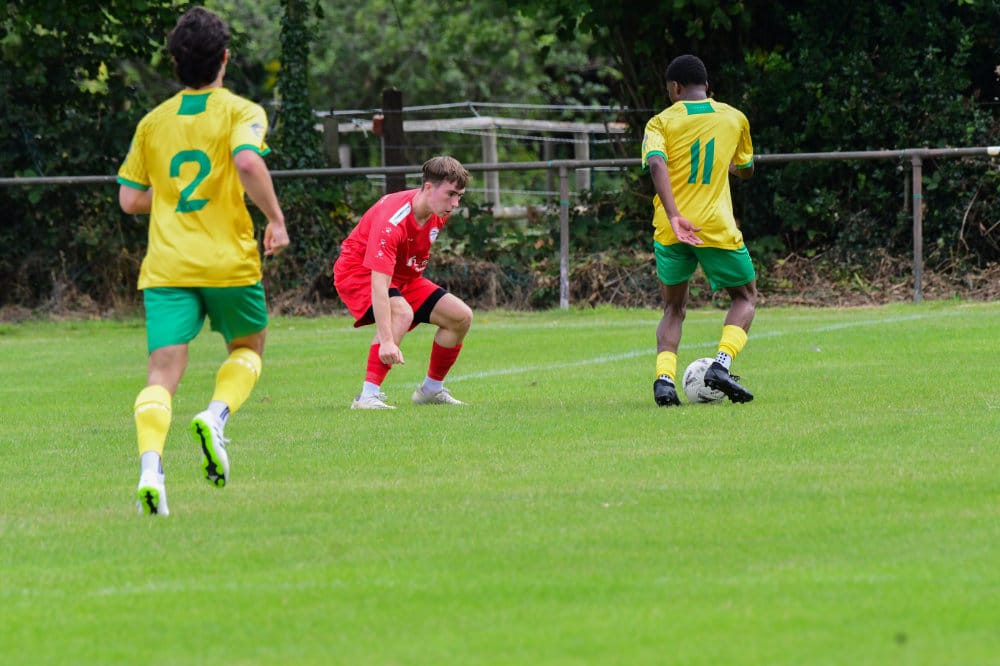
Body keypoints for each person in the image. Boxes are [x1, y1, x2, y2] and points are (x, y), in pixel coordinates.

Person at [117, 6, 289, 516]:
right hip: (227, 262)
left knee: (161, 373)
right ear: (225, 59)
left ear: (175, 61)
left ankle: (151, 471)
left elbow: (130, 199)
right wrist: (275, 219)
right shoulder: (240, 111)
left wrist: (170, 196)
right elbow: (247, 160)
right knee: (248, 348)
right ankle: (215, 416)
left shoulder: (153, 122)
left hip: (168, 266)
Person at [641, 54, 757, 407]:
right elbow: (746, 168)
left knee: (673, 308)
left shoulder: (660, 122)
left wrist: (675, 215)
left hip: (671, 228)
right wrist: (727, 165)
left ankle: (664, 380)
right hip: (714, 226)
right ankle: (721, 364)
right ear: (706, 86)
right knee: (745, 297)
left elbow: (656, 164)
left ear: (675, 88)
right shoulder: (734, 118)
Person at [333, 156, 473, 410]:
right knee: (401, 313)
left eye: (459, 196)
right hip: (359, 272)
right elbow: (379, 283)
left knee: (460, 317)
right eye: (450, 194)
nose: (455, 204)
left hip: (403, 276)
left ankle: (431, 391)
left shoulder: (437, 211)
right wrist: (387, 341)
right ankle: (367, 397)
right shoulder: (392, 222)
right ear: (428, 187)